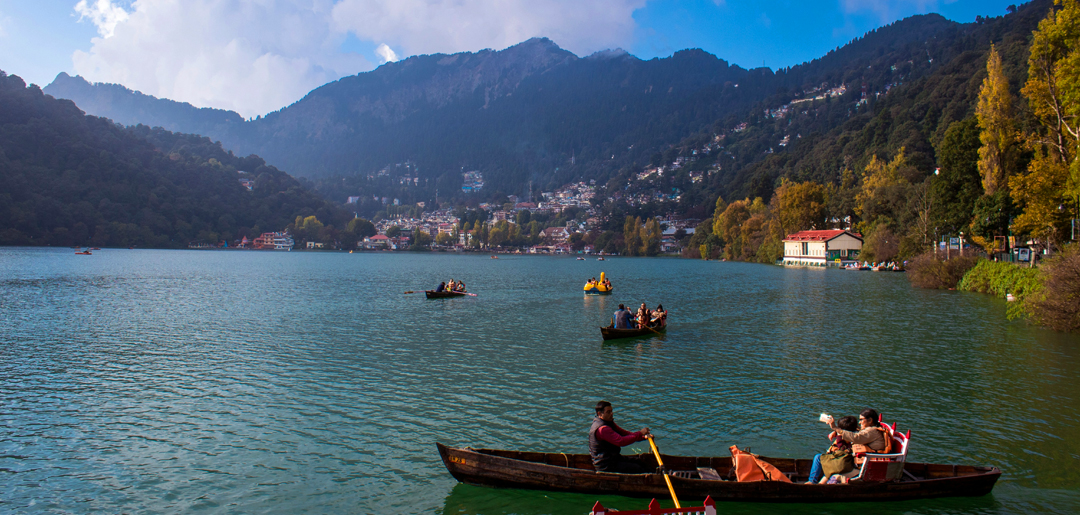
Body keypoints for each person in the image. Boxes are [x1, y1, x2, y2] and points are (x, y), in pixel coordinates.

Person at [588, 401, 650, 473]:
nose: (611, 413)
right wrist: (640, 433)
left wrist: (643, 437)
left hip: (613, 459)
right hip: (605, 464)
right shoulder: (602, 429)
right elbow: (621, 441)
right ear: (599, 414)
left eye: (611, 411)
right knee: (638, 468)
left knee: (640, 462)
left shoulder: (608, 422)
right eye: (608, 412)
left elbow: (624, 433)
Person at [806, 415, 858, 484]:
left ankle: (812, 481)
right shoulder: (856, 435)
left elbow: (841, 440)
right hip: (844, 459)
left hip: (842, 461)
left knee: (818, 457)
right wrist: (835, 432)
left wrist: (836, 431)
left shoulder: (843, 438)